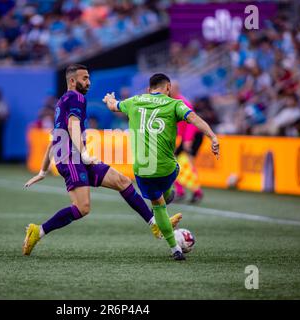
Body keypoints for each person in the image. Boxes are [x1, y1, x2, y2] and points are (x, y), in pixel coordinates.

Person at [23, 64, 182, 260]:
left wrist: (43, 171)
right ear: (72, 81)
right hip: (72, 158)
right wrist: (84, 154)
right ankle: (37, 231)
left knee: (122, 181)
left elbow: (54, 137)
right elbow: (72, 127)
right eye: (84, 78)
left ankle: (154, 225)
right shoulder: (76, 98)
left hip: (74, 157)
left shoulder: (62, 101)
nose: (88, 82)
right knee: (83, 208)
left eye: (89, 78)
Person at [102, 73, 220, 260]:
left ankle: (175, 249)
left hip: (143, 170)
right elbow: (195, 119)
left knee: (158, 206)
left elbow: (113, 106)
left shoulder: (134, 101)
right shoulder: (175, 104)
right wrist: (213, 137)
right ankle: (168, 191)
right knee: (174, 170)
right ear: (168, 88)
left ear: (149, 89)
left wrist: (109, 99)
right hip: (167, 169)